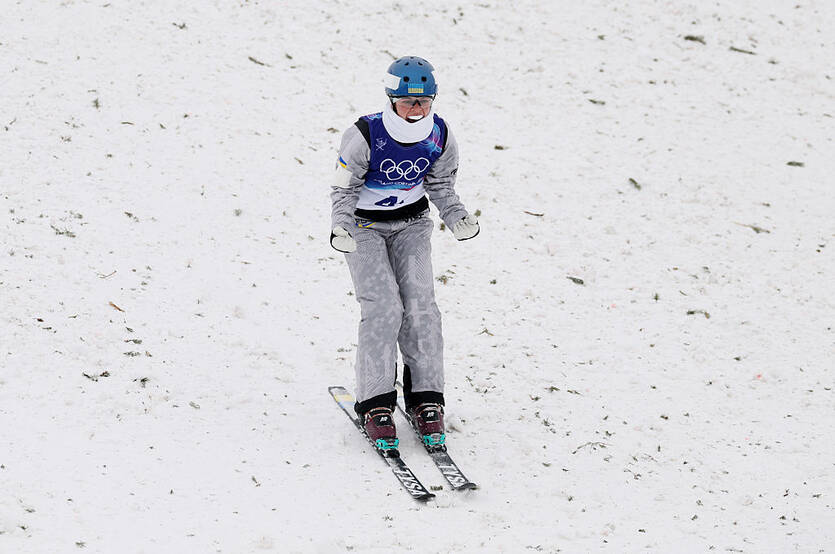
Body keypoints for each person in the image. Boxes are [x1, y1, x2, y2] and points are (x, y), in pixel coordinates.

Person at [329, 56, 479, 452]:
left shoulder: (439, 135)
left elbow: (441, 184)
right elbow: (343, 188)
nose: (417, 111)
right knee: (383, 308)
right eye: (408, 103)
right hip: (364, 228)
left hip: (411, 225)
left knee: (422, 307)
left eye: (424, 102)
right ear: (392, 98)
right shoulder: (364, 135)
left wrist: (457, 215)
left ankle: (426, 398)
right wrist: (341, 225)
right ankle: (376, 404)